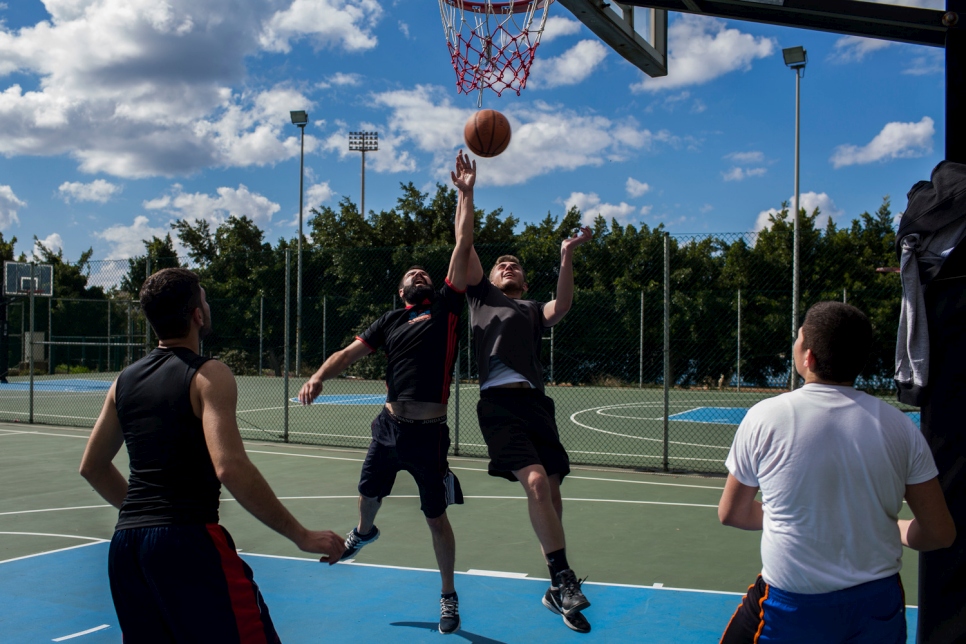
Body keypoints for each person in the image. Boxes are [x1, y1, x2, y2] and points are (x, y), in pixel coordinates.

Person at [79, 267, 345, 642]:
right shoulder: (209, 374)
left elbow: (92, 466)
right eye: (203, 297)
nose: (206, 304)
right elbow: (230, 467)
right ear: (197, 315)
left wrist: (145, 516)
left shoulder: (122, 382)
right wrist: (301, 534)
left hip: (127, 550)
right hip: (188, 544)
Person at [298, 151, 476, 635]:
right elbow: (349, 354)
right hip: (388, 426)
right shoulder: (390, 321)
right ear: (400, 292)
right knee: (367, 495)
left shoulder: (447, 309)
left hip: (429, 434)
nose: (420, 275)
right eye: (411, 275)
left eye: (424, 273)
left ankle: (447, 596)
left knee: (436, 519)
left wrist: (464, 193)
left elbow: (463, 245)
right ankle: (365, 532)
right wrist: (317, 375)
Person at [718, 301, 956, 644]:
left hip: (793, 608)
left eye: (799, 338)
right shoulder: (901, 427)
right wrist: (896, 528)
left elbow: (732, 513)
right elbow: (940, 533)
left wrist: (800, 518)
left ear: (809, 357)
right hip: (878, 607)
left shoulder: (765, 417)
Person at [462, 224, 594, 633]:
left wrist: (566, 254)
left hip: (536, 405)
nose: (507, 266)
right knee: (537, 484)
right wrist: (465, 194)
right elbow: (464, 244)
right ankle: (563, 577)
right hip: (499, 406)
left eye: (515, 265)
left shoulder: (535, 309)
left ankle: (557, 589)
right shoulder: (481, 296)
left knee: (551, 496)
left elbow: (565, 304)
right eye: (502, 264)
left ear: (523, 279)